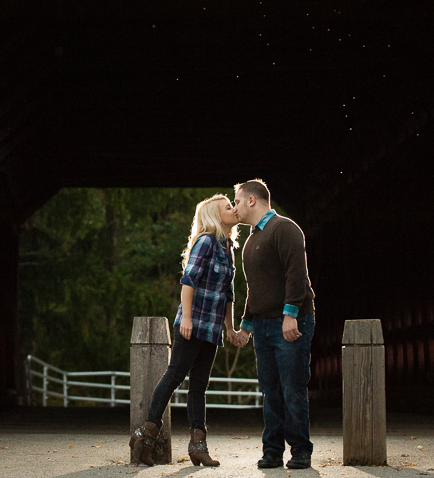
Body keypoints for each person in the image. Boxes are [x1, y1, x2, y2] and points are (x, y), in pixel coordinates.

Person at [129, 194, 241, 467]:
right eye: (228, 207)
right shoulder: (205, 242)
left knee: (199, 385)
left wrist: (230, 328)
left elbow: (228, 294)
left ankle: (198, 446)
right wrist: (187, 319)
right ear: (215, 216)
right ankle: (143, 435)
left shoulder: (228, 247)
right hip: (193, 324)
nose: (234, 209)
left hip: (212, 328)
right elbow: (188, 282)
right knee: (175, 376)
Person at [230, 179, 315, 470]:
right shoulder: (251, 241)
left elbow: (296, 274)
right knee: (270, 390)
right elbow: (255, 290)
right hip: (264, 326)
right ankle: (272, 451)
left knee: (292, 388)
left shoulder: (285, 228)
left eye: (237, 201)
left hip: (290, 320)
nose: (234, 207)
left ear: (252, 200)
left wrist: (290, 315)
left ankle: (301, 450)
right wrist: (245, 327)